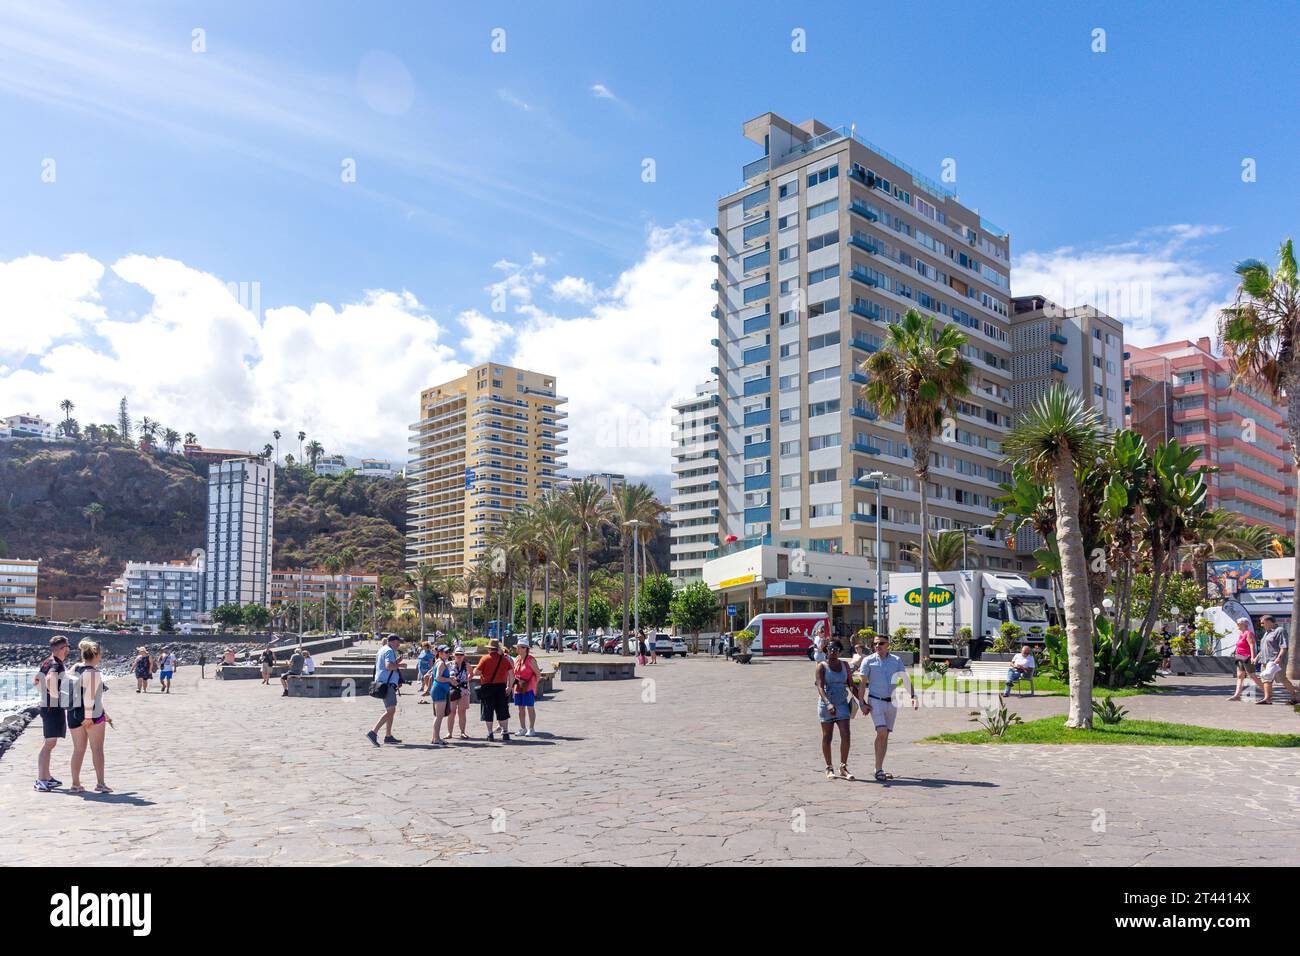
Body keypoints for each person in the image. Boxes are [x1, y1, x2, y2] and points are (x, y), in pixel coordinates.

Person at [860, 633, 917, 783]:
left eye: (881, 643)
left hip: (892, 702)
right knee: (881, 731)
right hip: (875, 701)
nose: (877, 646)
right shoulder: (868, 661)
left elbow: (904, 678)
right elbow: (862, 683)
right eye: (875, 644)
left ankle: (879, 767)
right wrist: (862, 702)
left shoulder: (896, 660)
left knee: (885, 735)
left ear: (888, 645)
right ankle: (878, 769)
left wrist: (913, 696)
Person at [67, 639, 113, 794]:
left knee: (78, 750)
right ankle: (100, 783)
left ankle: (75, 784)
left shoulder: (75, 668)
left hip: (73, 713)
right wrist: (88, 717)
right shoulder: (94, 673)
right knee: (97, 749)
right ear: (97, 655)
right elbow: (90, 698)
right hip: (91, 714)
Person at [815, 639, 856, 781]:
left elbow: (851, 685)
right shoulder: (821, 666)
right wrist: (828, 704)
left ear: (840, 651)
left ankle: (843, 767)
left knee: (846, 734)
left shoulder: (845, 665)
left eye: (836, 649)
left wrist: (863, 702)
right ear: (826, 650)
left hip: (842, 703)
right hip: (826, 704)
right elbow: (820, 687)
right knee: (828, 736)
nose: (832, 651)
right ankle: (829, 767)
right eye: (830, 649)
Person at [34, 635, 70, 792]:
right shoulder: (56, 664)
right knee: (49, 744)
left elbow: (36, 681)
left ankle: (46, 777)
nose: (69, 649)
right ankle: (42, 780)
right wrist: (56, 697)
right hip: (51, 709)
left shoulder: (48, 661)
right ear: (62, 648)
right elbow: (49, 678)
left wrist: (45, 695)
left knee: (49, 743)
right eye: (67, 646)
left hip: (46, 706)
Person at [366, 634, 404, 747]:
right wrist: (400, 665)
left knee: (390, 709)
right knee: (391, 710)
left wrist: (396, 662)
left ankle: (388, 736)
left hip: (382, 683)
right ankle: (373, 732)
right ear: (392, 641)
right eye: (398, 642)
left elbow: (384, 665)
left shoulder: (381, 650)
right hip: (387, 684)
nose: (399, 644)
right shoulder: (389, 651)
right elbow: (388, 666)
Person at [473, 639, 514, 742]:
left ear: (490, 649)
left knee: (488, 710)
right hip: (501, 687)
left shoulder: (485, 659)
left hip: (487, 687)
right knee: (502, 710)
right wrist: (509, 687)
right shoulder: (505, 660)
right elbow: (511, 675)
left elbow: (476, 672)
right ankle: (505, 732)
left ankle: (490, 734)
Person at [1255, 615, 1298, 705]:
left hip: (1275, 660)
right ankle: (1267, 699)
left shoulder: (1280, 631)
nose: (1261, 625)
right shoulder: (1266, 633)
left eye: (1262, 623)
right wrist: (1256, 657)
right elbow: (1263, 648)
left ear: (1270, 622)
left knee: (1282, 679)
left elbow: (1284, 646)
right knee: (1266, 679)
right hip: (1265, 660)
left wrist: (1279, 658)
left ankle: (1295, 696)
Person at [1227, 616, 1265, 701]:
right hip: (1239, 657)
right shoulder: (1241, 634)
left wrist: (1253, 657)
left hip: (1247, 657)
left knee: (1252, 676)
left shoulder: (1249, 633)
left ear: (1244, 624)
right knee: (1240, 676)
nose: (1237, 625)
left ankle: (1267, 693)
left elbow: (1252, 646)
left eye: (1238, 623)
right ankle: (1237, 695)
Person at [512, 639, 541, 737]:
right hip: (519, 686)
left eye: (520, 647)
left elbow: (538, 674)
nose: (518, 649)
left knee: (530, 707)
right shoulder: (517, 659)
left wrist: (534, 686)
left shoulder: (531, 660)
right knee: (520, 708)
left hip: (528, 687)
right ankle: (523, 728)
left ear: (525, 649)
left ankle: (531, 728)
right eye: (518, 647)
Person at [425, 645, 453, 745]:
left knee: (438, 716)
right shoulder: (441, 663)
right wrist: (449, 679)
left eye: (449, 651)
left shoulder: (439, 662)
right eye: (446, 652)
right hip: (439, 690)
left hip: (439, 689)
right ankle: (436, 738)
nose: (448, 653)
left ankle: (435, 737)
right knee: (439, 716)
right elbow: (438, 678)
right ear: (440, 653)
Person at [448, 647, 472, 739]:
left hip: (464, 691)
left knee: (462, 712)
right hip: (453, 690)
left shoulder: (467, 665)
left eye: (461, 654)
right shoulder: (449, 664)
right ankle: (449, 733)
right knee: (451, 712)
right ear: (454, 655)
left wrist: (466, 680)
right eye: (457, 654)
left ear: (463, 656)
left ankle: (462, 732)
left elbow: (472, 674)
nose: (459, 656)